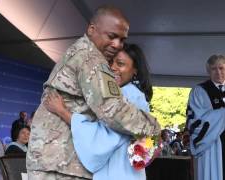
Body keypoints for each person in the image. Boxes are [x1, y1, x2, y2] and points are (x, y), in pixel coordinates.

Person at [26, 5, 161, 180]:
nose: (117, 44)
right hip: (60, 162)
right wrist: (154, 128)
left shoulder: (80, 51)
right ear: (91, 29)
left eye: (121, 39)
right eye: (112, 37)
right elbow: (114, 110)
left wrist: (63, 112)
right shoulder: (92, 59)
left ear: (135, 70)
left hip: (55, 158)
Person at [44, 44, 157, 180]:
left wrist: (62, 112)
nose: (113, 67)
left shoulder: (126, 95)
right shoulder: (137, 96)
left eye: (120, 64)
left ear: (135, 71)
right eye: (111, 62)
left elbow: (102, 138)